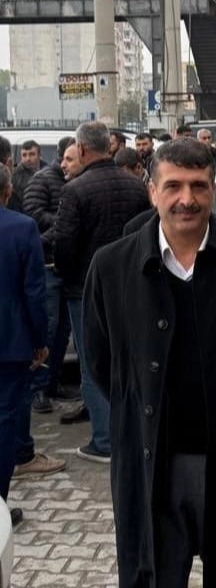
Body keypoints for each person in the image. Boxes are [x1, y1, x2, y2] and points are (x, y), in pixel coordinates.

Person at [83, 137, 216, 587]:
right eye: (173, 186)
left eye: (198, 186)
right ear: (152, 191)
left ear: (213, 190)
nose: (186, 199)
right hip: (152, 463)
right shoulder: (112, 267)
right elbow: (103, 363)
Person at [52, 121, 150, 463]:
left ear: (81, 149)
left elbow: (64, 243)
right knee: (131, 359)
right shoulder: (135, 184)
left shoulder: (75, 190)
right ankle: (135, 431)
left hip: (84, 289)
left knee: (93, 362)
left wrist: (66, 274)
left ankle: (106, 441)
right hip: (132, 284)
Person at [0, 163, 49, 528]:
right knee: (4, 423)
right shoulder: (21, 227)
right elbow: (35, 290)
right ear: (8, 192)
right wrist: (40, 341)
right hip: (10, 343)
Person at [21, 136, 78, 413]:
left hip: (68, 266)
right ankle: (38, 389)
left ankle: (53, 383)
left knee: (63, 331)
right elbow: (32, 213)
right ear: (60, 156)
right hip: (48, 266)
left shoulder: (76, 181)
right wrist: (63, 222)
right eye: (68, 158)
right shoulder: (42, 180)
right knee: (49, 328)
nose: (69, 163)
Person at [9, 140, 45, 213]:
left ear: (39, 155)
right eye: (24, 155)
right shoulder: (15, 176)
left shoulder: (48, 172)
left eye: (31, 154)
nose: (28, 158)